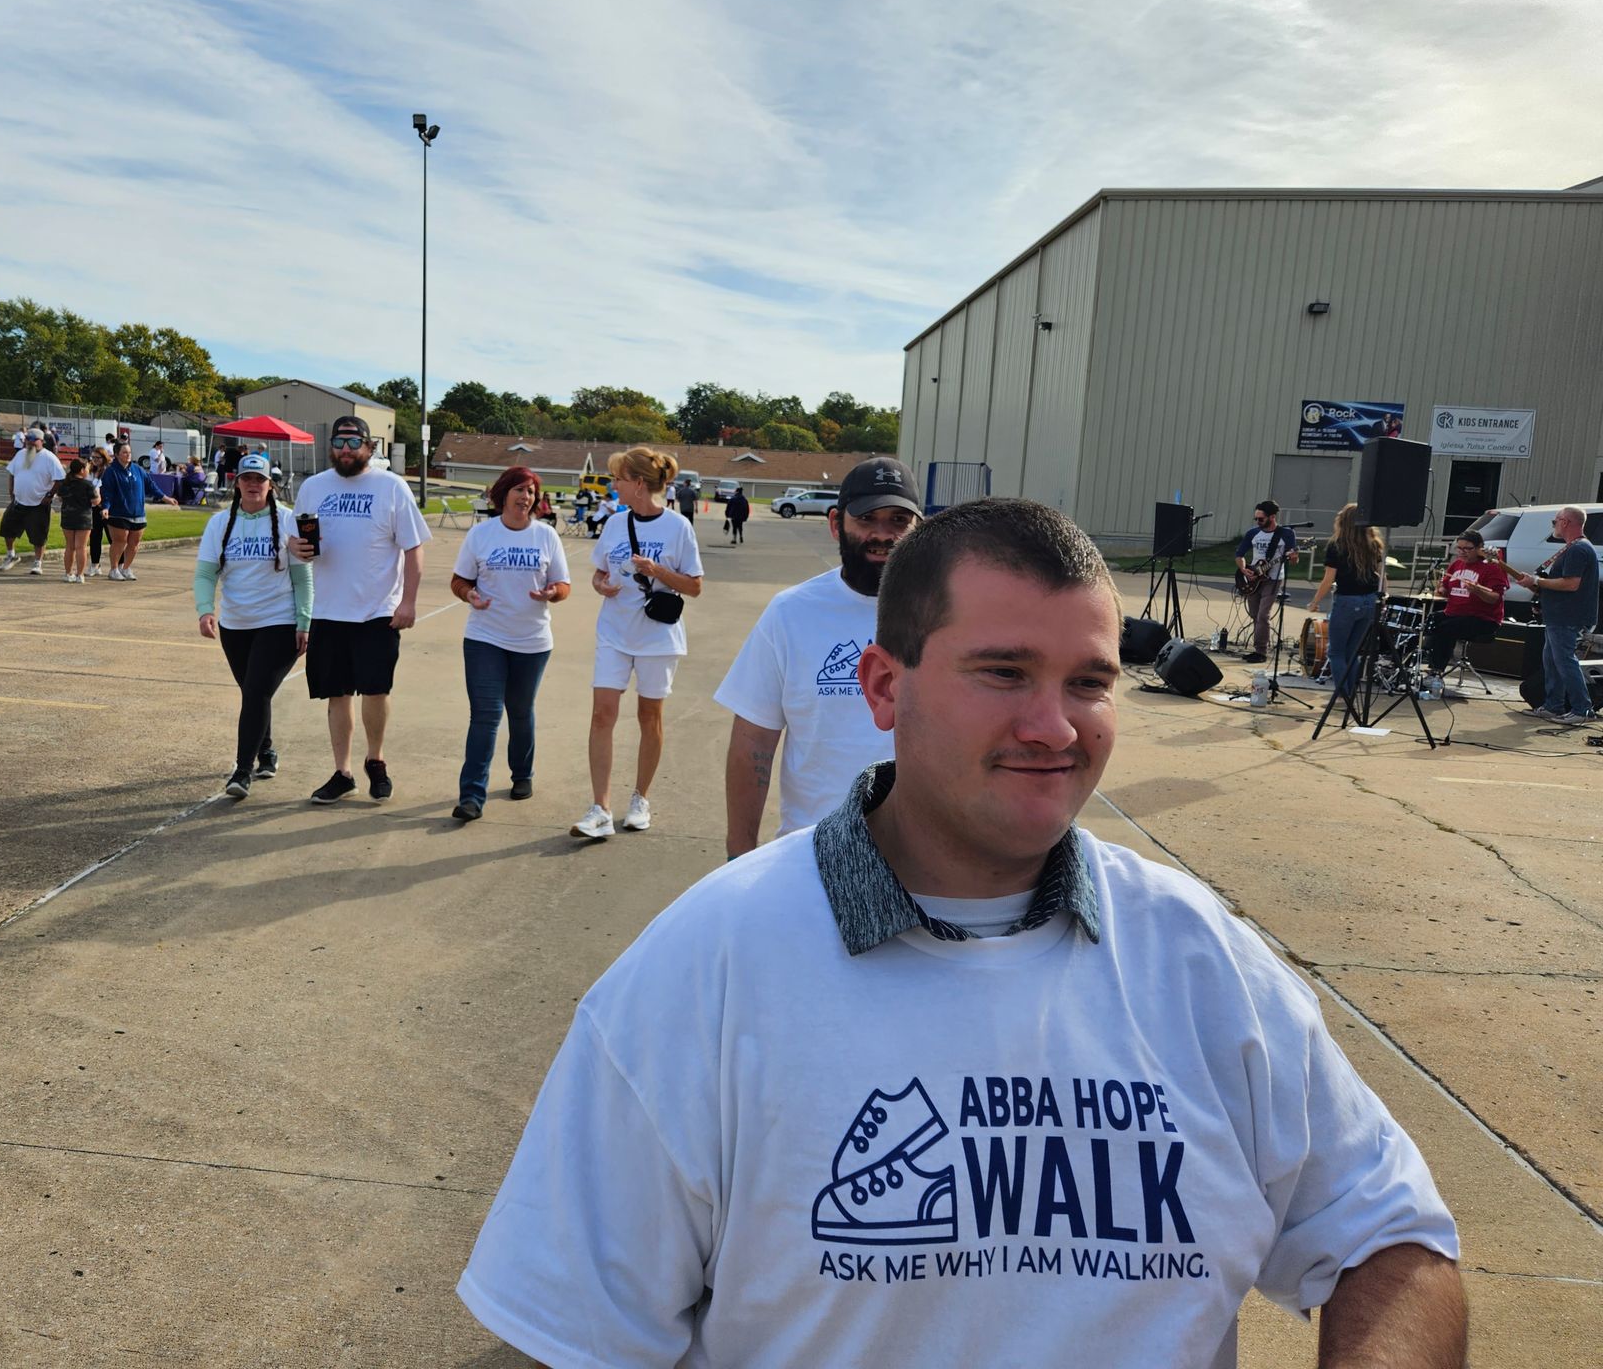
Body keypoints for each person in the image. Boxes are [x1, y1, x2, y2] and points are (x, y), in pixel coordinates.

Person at [460, 497, 1466, 1369]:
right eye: (1004, 672)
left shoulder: (1201, 959)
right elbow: (573, 1332)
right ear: (883, 688)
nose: (1056, 727)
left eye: (1089, 683)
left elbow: (1392, 1243)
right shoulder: (707, 966)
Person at [715, 457, 920, 858]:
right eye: (867, 519)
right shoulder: (791, 613)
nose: (883, 534)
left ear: (918, 529)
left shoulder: (950, 613)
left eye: (898, 520)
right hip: (815, 854)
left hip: (926, 861)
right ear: (835, 524)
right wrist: (739, 854)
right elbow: (754, 740)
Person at [289, 415, 431, 805]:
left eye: (354, 443)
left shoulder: (391, 487)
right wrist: (295, 547)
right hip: (327, 609)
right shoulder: (314, 487)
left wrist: (409, 601)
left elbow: (414, 548)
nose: (346, 450)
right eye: (339, 442)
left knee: (376, 689)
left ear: (370, 447)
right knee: (336, 693)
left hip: (377, 611)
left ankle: (375, 760)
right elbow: (297, 541)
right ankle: (343, 772)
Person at [571, 446, 704, 840]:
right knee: (602, 715)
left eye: (619, 479)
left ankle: (640, 799)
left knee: (650, 717)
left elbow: (694, 586)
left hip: (657, 637)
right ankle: (600, 809)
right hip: (614, 632)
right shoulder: (615, 523)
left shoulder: (678, 527)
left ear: (639, 484)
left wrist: (656, 569)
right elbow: (599, 572)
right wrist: (601, 585)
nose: (614, 485)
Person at [448, 467, 572, 821]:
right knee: (485, 716)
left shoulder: (546, 536)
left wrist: (552, 592)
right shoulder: (481, 535)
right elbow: (459, 580)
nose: (526, 497)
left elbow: (563, 585)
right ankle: (472, 796)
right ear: (503, 494)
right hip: (485, 638)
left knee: (520, 710)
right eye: (519, 489)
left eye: (531, 491)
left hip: (532, 641)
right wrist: (469, 594)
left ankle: (522, 774)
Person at [196, 454, 313, 799]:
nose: (252, 484)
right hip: (236, 625)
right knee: (253, 692)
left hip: (279, 621)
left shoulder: (288, 521)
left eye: (259, 479)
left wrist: (305, 621)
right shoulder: (220, 523)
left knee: (257, 691)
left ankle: (242, 770)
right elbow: (205, 573)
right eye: (246, 478)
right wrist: (205, 610)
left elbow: (303, 578)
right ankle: (267, 750)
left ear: (270, 485)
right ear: (236, 483)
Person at [1508, 505, 1599, 724]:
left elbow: (1571, 584)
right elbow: (1561, 584)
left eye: (1555, 521)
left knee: (1564, 661)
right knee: (1552, 661)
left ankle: (1583, 709)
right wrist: (1539, 589)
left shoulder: (1578, 549)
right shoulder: (1573, 548)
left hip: (1568, 616)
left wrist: (1537, 581)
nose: (1554, 526)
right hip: (1559, 615)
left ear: (1565, 522)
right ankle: (1553, 706)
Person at [1305, 502, 1385, 700]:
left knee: (1336, 652)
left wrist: (1314, 601)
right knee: (1352, 651)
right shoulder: (1374, 543)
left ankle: (1344, 693)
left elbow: (1328, 579)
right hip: (1370, 600)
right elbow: (1382, 575)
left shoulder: (1337, 545)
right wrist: (1383, 597)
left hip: (1347, 601)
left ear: (1344, 521)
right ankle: (1350, 693)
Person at [1421, 529, 1508, 679]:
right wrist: (1441, 590)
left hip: (1483, 619)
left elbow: (1495, 598)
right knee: (1428, 620)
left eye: (1467, 548)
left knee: (1446, 628)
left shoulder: (1493, 567)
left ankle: (1436, 671)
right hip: (1454, 614)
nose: (1462, 552)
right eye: (1459, 548)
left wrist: (1477, 591)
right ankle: (1407, 663)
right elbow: (1444, 588)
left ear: (1479, 548)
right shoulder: (1456, 565)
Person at [99, 439, 177, 581]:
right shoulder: (111, 471)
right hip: (119, 513)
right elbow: (107, 492)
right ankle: (114, 569)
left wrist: (166, 498)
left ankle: (126, 568)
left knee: (134, 543)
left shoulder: (138, 469)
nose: (128, 455)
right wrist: (106, 507)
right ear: (116, 454)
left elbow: (151, 486)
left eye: (129, 452)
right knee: (120, 541)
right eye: (124, 452)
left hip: (138, 513)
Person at [1233, 500, 1299, 663]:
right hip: (1254, 578)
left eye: (1261, 519)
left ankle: (1261, 652)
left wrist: (1293, 557)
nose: (1257, 521)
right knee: (1255, 614)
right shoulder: (1253, 533)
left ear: (1272, 517)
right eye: (1256, 518)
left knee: (1263, 615)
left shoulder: (1286, 534)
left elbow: (1293, 560)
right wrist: (1244, 569)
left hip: (1274, 579)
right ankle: (1258, 649)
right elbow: (1239, 555)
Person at [0, 428, 65, 576]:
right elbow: (12, 473)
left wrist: (49, 495)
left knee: (38, 534)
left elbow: (60, 479)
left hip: (38, 503)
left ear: (42, 441)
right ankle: (11, 555)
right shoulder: (21, 454)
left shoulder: (49, 458)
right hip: (19, 501)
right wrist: (11, 491)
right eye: (28, 439)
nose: (30, 442)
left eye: (34, 439)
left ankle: (38, 562)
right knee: (7, 528)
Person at [55, 456, 101, 583]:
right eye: (87, 468)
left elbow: (60, 498)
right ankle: (80, 575)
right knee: (81, 547)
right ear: (82, 470)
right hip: (83, 518)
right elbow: (95, 501)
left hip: (67, 516)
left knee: (69, 547)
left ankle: (68, 573)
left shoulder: (65, 483)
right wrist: (99, 495)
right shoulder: (87, 485)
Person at [84, 446, 112, 577]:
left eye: (97, 458)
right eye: (93, 457)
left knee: (113, 537)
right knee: (95, 537)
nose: (95, 460)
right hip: (94, 508)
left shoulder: (108, 471)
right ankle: (95, 564)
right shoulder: (90, 471)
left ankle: (119, 565)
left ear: (104, 458)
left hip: (107, 508)